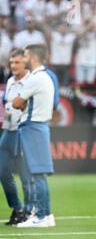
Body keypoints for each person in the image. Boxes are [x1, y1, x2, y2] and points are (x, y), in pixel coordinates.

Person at [13, 44, 58, 228]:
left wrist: (20, 102)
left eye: (24, 56)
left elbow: (16, 102)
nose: (23, 60)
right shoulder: (47, 76)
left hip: (33, 126)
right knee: (38, 173)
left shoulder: (35, 78)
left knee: (37, 173)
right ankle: (44, 214)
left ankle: (41, 215)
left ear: (32, 57)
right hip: (39, 126)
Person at [0, 49, 30, 225]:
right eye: (11, 63)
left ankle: (28, 210)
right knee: (2, 171)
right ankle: (17, 207)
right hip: (8, 129)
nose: (13, 66)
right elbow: (8, 105)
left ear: (25, 63)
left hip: (22, 130)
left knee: (25, 173)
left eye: (17, 62)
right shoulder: (10, 81)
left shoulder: (31, 82)